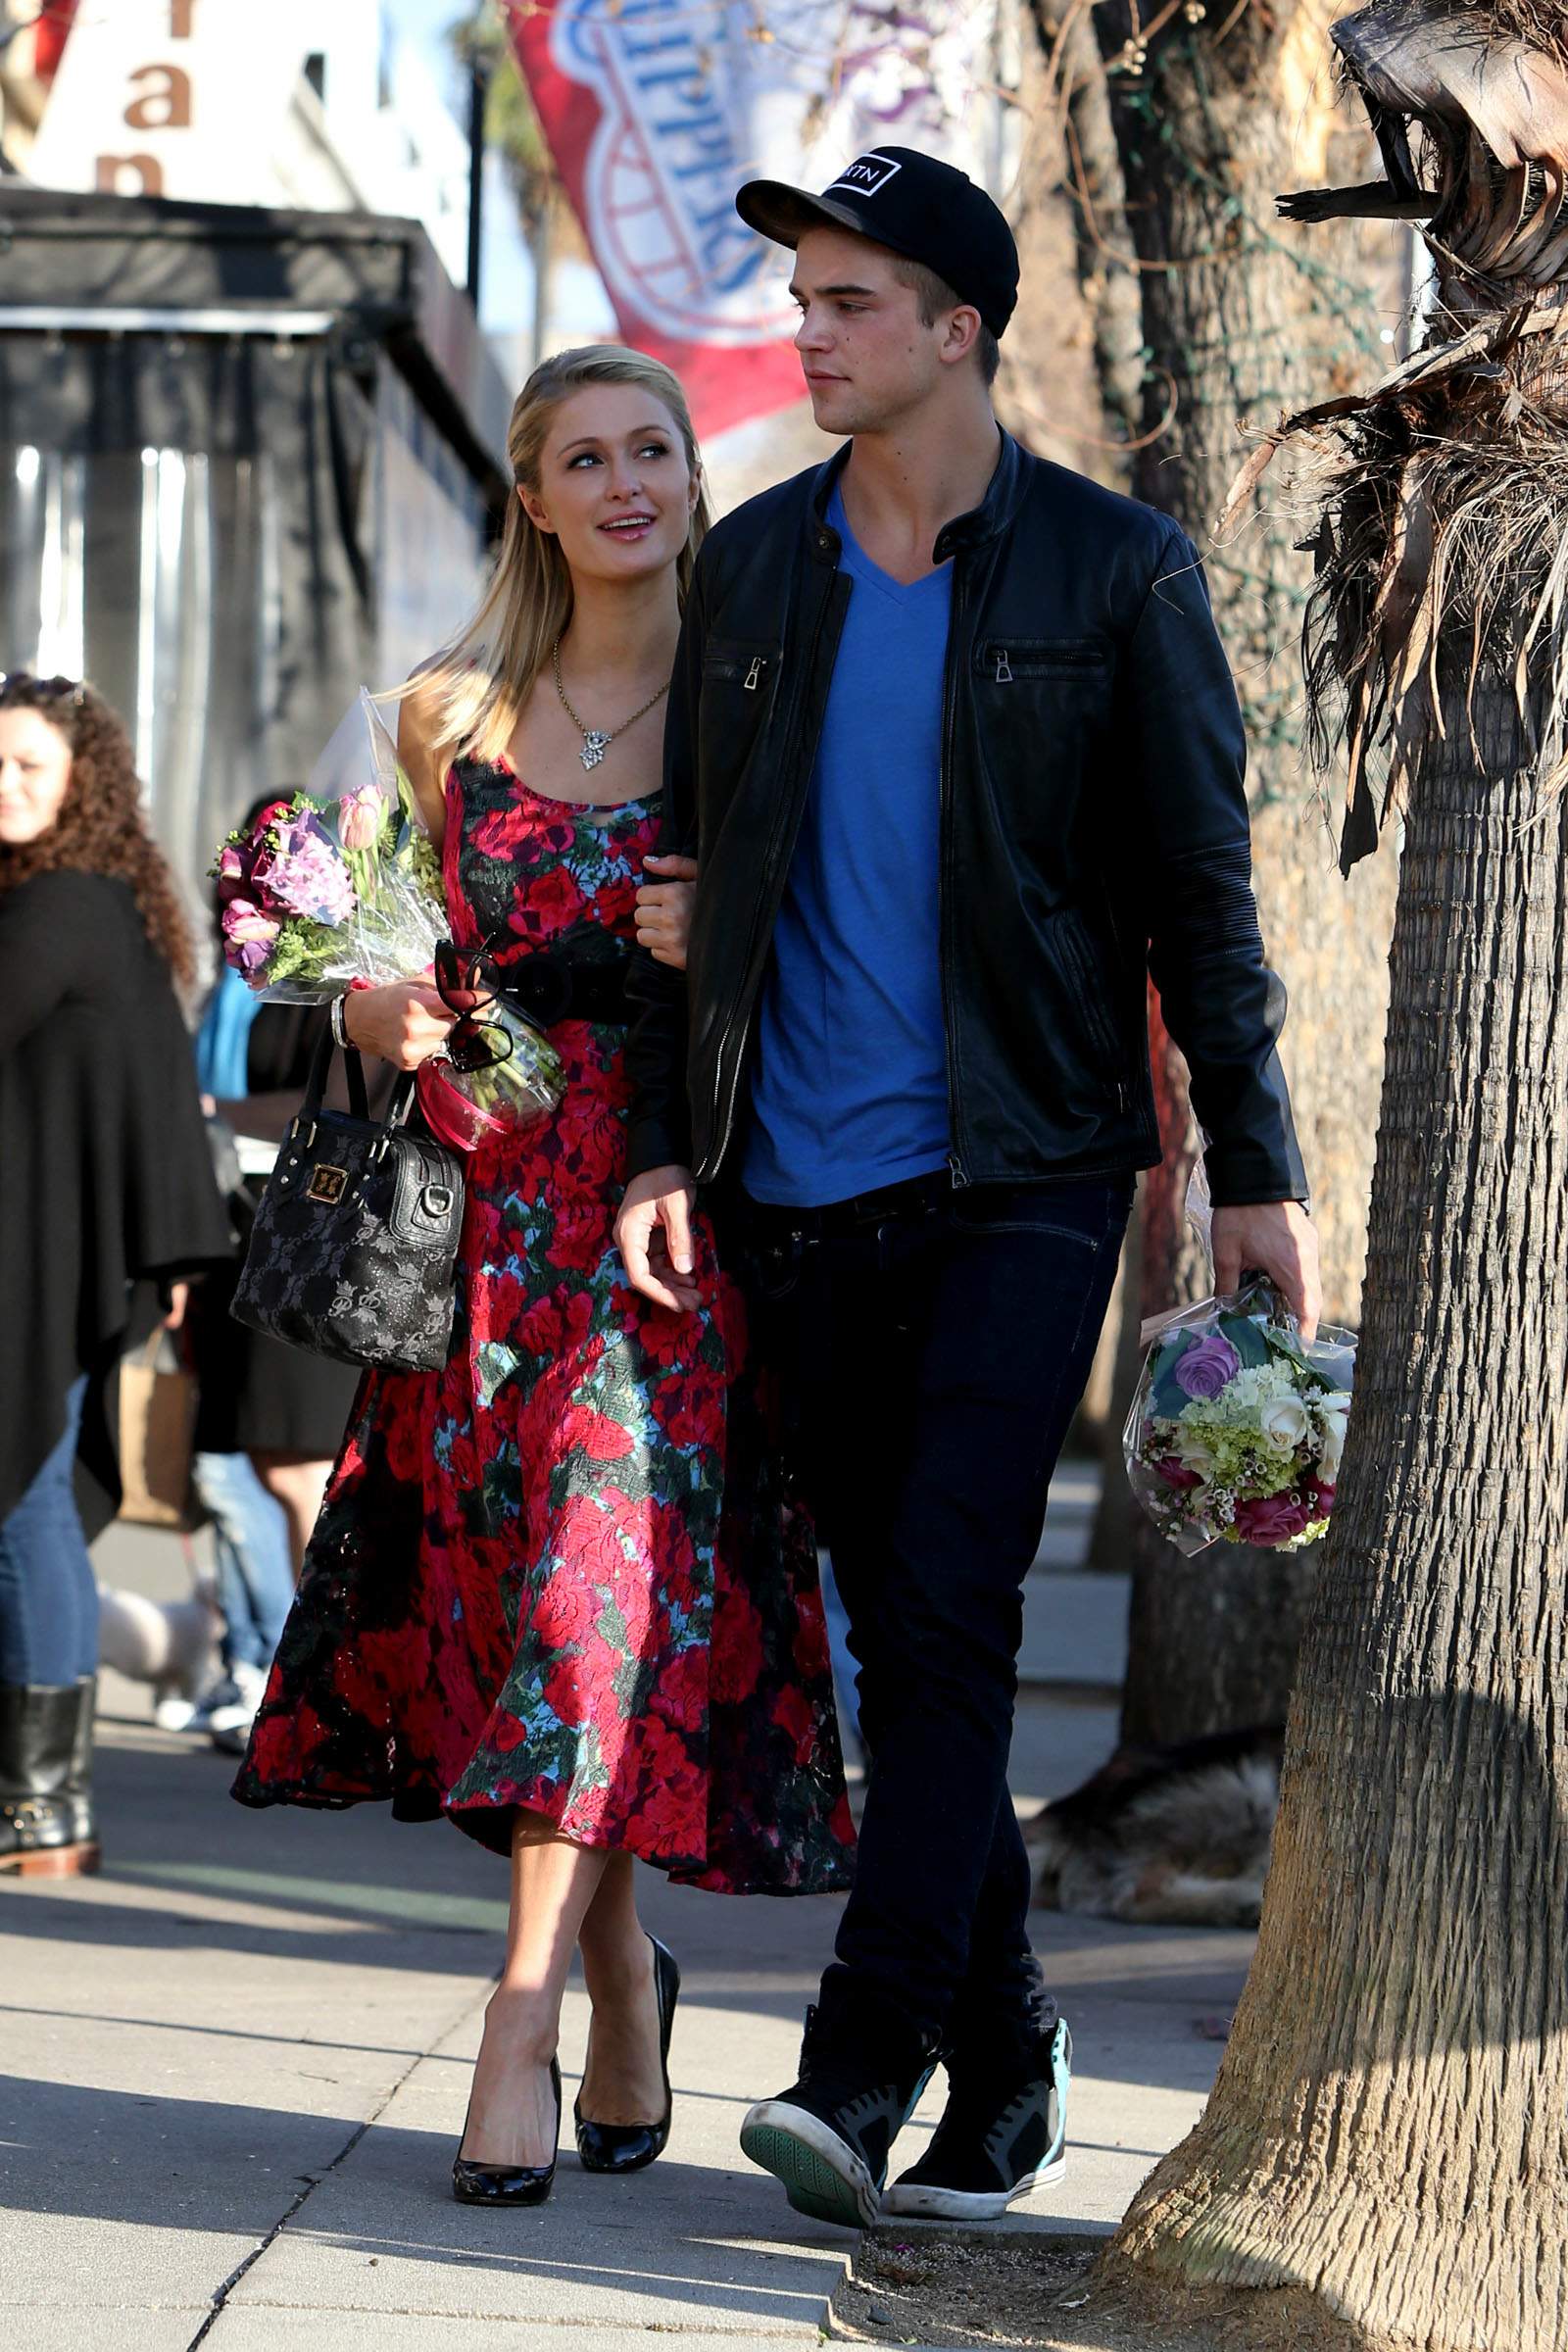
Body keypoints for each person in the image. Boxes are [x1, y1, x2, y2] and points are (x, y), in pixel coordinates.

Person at [614, 147, 1322, 2230]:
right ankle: (1010, 2060)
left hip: (1021, 1163)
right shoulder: (751, 575)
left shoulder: (1111, 576)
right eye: (802, 298)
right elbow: (694, 889)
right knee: (899, 1645)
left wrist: (1258, 1166)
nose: (808, 333)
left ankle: (857, 2060)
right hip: (792, 1181)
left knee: (943, 1610)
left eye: (848, 301)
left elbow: (1199, 893)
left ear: (955, 328)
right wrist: (671, 1133)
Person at [231, 346, 854, 2209]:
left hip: (665, 1237)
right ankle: (616, 1975)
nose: (627, 481)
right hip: (476, 1233)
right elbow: (329, 952)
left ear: (688, 470)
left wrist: (727, 918)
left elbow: (853, 943)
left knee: (599, 1611)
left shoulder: (759, 695)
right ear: (535, 493)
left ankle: (513, 2018)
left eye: (653, 446)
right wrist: (379, 998)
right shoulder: (443, 709)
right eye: (584, 456)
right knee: (527, 1633)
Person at [0, 671, 231, 1875]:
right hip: (52, 1249)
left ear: (80, 781)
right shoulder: (86, 896)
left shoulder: (65, 903)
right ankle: (40, 1801)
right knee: (24, 1501)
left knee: (26, 1501)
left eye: (29, 766)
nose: (6, 786)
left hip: (37, 1261)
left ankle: (46, 1804)